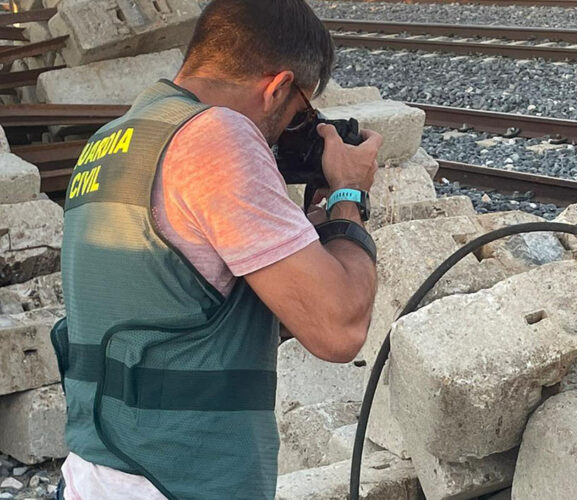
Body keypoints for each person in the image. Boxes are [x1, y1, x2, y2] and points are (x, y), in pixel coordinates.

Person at [50, 0, 380, 498]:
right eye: (300, 113)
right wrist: (348, 195)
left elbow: (187, 301)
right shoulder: (218, 138)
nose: (292, 131)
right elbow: (338, 328)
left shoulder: (113, 140)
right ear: (277, 88)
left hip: (96, 471)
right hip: (181, 480)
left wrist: (309, 226)